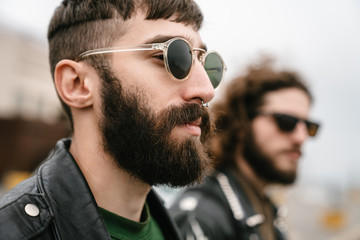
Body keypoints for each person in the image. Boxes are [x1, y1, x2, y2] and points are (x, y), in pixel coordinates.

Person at [0, 0, 226, 239]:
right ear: (76, 84)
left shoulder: (178, 228)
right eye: (171, 55)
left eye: (204, 63)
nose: (206, 90)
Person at [170, 59, 320, 240]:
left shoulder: (267, 211)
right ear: (241, 124)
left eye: (309, 127)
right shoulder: (201, 218)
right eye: (286, 122)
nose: (301, 138)